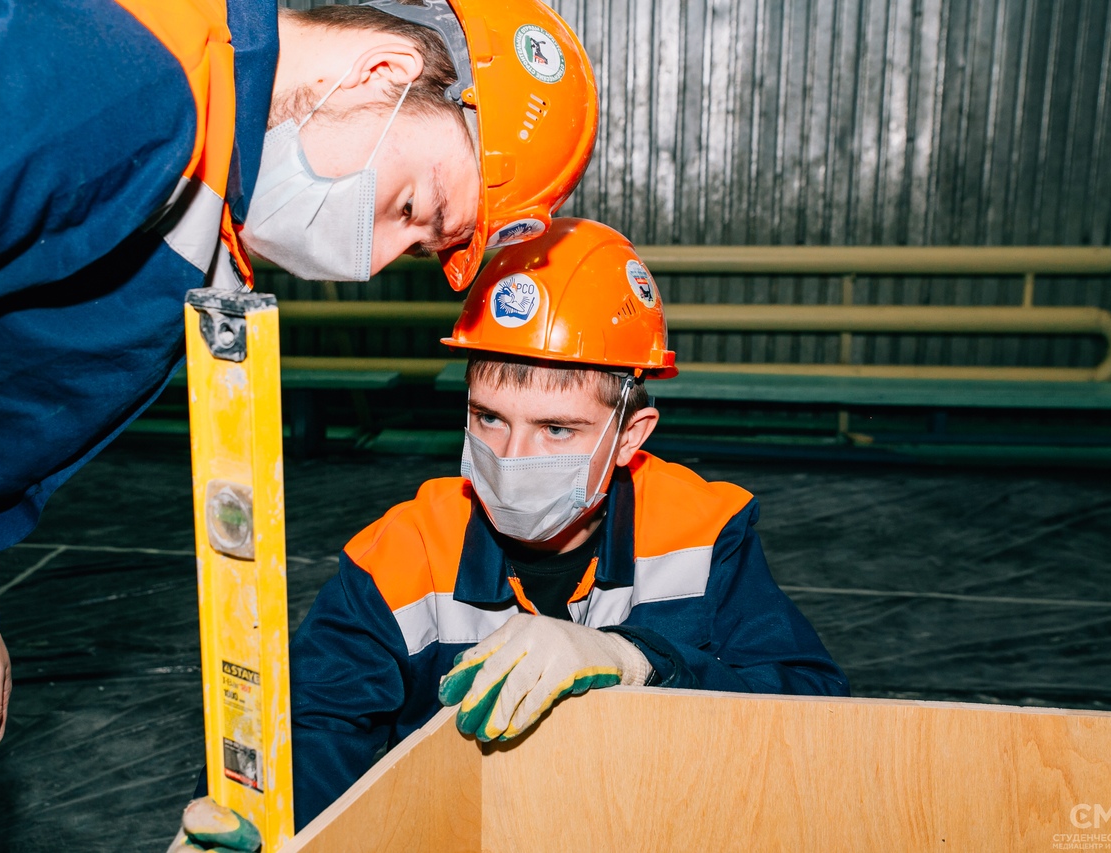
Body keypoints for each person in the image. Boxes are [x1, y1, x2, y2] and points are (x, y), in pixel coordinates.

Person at [0, 0, 598, 848]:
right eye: (412, 207)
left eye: (415, 249)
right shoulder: (138, 76)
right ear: (385, 74)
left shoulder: (214, 200)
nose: (367, 264)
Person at [280, 218, 850, 833]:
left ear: (630, 436)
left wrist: (637, 660)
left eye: (556, 429)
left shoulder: (703, 532)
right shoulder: (400, 557)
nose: (513, 456)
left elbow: (811, 713)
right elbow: (312, 730)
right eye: (490, 418)